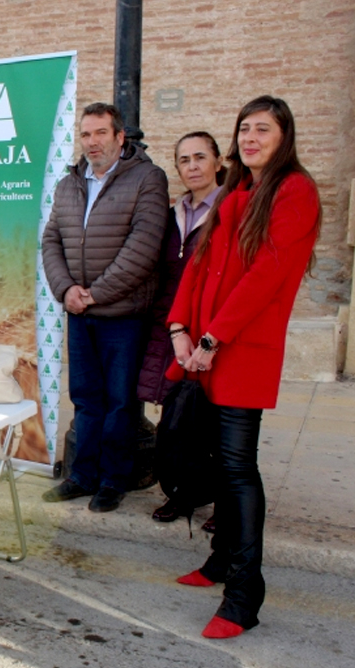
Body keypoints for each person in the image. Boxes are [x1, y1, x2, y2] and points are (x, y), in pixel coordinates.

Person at [167, 96, 320, 639]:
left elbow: (268, 275)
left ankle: (244, 590)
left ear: (284, 135)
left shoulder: (294, 190)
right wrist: (179, 328)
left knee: (236, 466)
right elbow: (202, 260)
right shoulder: (238, 188)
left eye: (263, 129)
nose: (251, 137)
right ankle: (219, 560)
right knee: (215, 459)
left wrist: (212, 336)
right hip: (206, 348)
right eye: (244, 128)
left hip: (242, 348)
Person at [40, 102, 169, 512]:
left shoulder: (147, 179)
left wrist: (94, 293)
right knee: (86, 398)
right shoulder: (69, 184)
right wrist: (66, 291)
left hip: (123, 317)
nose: (92, 142)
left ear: (119, 137)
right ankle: (82, 475)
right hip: (79, 314)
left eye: (100, 133)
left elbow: (143, 247)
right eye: (85, 134)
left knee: (121, 402)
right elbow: (50, 241)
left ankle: (114, 479)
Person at [139, 131, 224, 528]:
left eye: (200, 157)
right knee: (175, 416)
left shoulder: (229, 210)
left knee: (217, 420)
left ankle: (223, 501)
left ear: (218, 162)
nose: (192, 166)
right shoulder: (175, 214)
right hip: (172, 324)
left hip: (213, 329)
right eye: (184, 160)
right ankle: (179, 493)